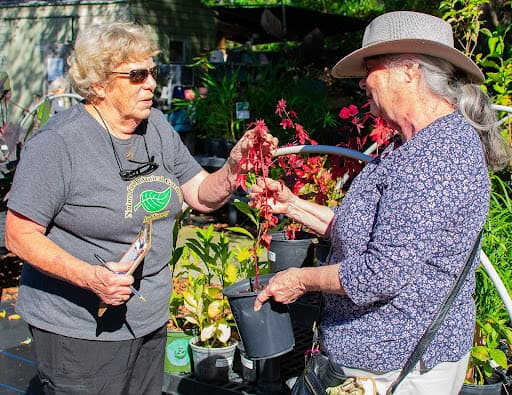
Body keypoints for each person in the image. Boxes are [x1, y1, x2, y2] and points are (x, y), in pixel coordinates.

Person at [5, 22, 275, 395]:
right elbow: (19, 235)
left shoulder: (157, 127)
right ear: (99, 83)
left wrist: (233, 168)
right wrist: (90, 277)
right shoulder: (58, 144)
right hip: (80, 331)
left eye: (153, 72)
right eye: (136, 75)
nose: (151, 83)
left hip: (148, 321)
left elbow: (200, 193)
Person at [251, 11, 510, 395]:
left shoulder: (437, 157)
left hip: (397, 368)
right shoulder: (408, 145)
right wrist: (291, 205)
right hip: (376, 362)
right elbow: (372, 234)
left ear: (408, 71)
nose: (362, 82)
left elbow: (380, 274)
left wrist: (300, 280)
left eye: (370, 68)